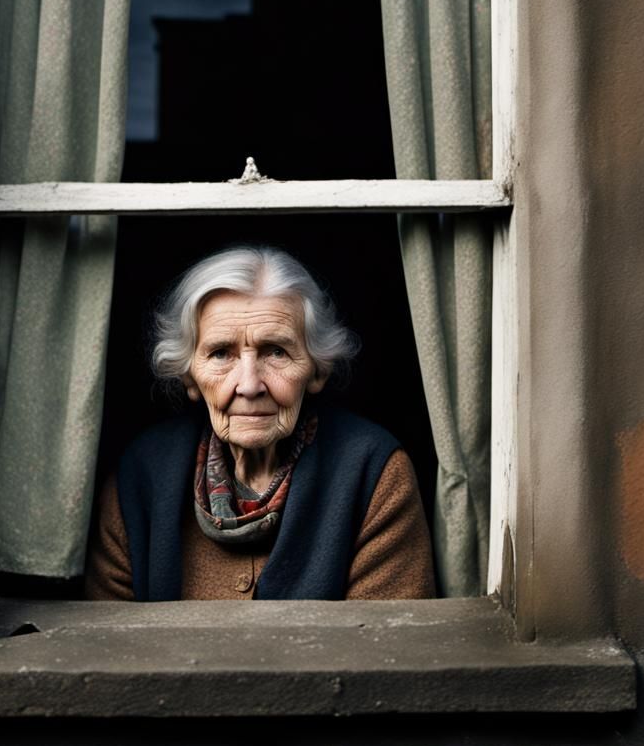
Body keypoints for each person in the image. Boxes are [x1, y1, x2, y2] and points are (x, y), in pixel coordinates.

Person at [85, 246, 435, 601]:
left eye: (276, 352)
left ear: (317, 369)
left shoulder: (373, 472)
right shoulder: (141, 474)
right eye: (221, 353)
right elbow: (108, 644)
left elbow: (383, 645)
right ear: (189, 376)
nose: (250, 385)